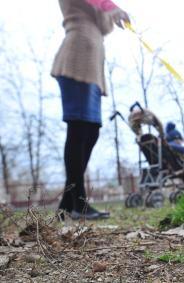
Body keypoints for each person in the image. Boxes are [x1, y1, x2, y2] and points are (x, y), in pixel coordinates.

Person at [51, 0, 130, 220]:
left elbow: (105, 27)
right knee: (78, 129)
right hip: (77, 58)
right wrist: (112, 7)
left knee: (90, 131)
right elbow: (102, 4)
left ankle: (67, 205)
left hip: (92, 66)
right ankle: (79, 203)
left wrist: (111, 14)